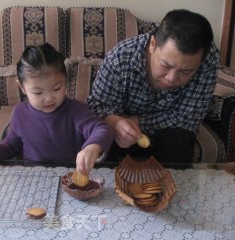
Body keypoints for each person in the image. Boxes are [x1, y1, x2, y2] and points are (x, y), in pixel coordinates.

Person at [87, 9, 219, 163]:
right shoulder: (119, 58)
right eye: (165, 65)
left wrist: (138, 121)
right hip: (122, 133)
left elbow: (188, 117)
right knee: (103, 141)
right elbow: (97, 106)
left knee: (178, 141)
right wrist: (115, 122)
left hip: (173, 133)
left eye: (186, 71)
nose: (171, 78)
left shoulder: (208, 58)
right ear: (153, 44)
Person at [0, 43, 113, 173]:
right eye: (38, 92)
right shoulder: (20, 113)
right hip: (33, 176)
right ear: (22, 87)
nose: (49, 98)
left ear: (65, 81)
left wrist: (92, 147)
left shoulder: (76, 111)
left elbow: (102, 129)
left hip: (70, 176)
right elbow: (13, 144)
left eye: (57, 88)